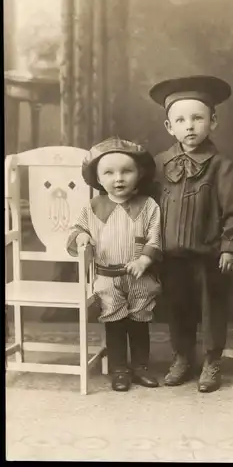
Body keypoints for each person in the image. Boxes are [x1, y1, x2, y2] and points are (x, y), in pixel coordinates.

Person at [149, 76, 233, 393]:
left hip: (209, 256)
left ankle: (211, 360)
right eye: (180, 120)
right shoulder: (160, 164)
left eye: (198, 118)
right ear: (169, 126)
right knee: (177, 307)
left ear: (213, 121)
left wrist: (229, 247)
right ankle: (182, 357)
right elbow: (148, 208)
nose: (189, 126)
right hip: (172, 255)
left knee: (211, 308)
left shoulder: (222, 166)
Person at [66, 137, 162, 392]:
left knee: (139, 320)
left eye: (126, 171)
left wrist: (145, 258)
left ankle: (141, 367)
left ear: (139, 174)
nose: (118, 178)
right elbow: (76, 229)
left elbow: (155, 235)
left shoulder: (149, 206)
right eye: (109, 172)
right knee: (115, 322)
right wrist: (81, 235)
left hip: (140, 275)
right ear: (98, 178)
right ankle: (119, 369)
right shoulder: (92, 207)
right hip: (107, 277)